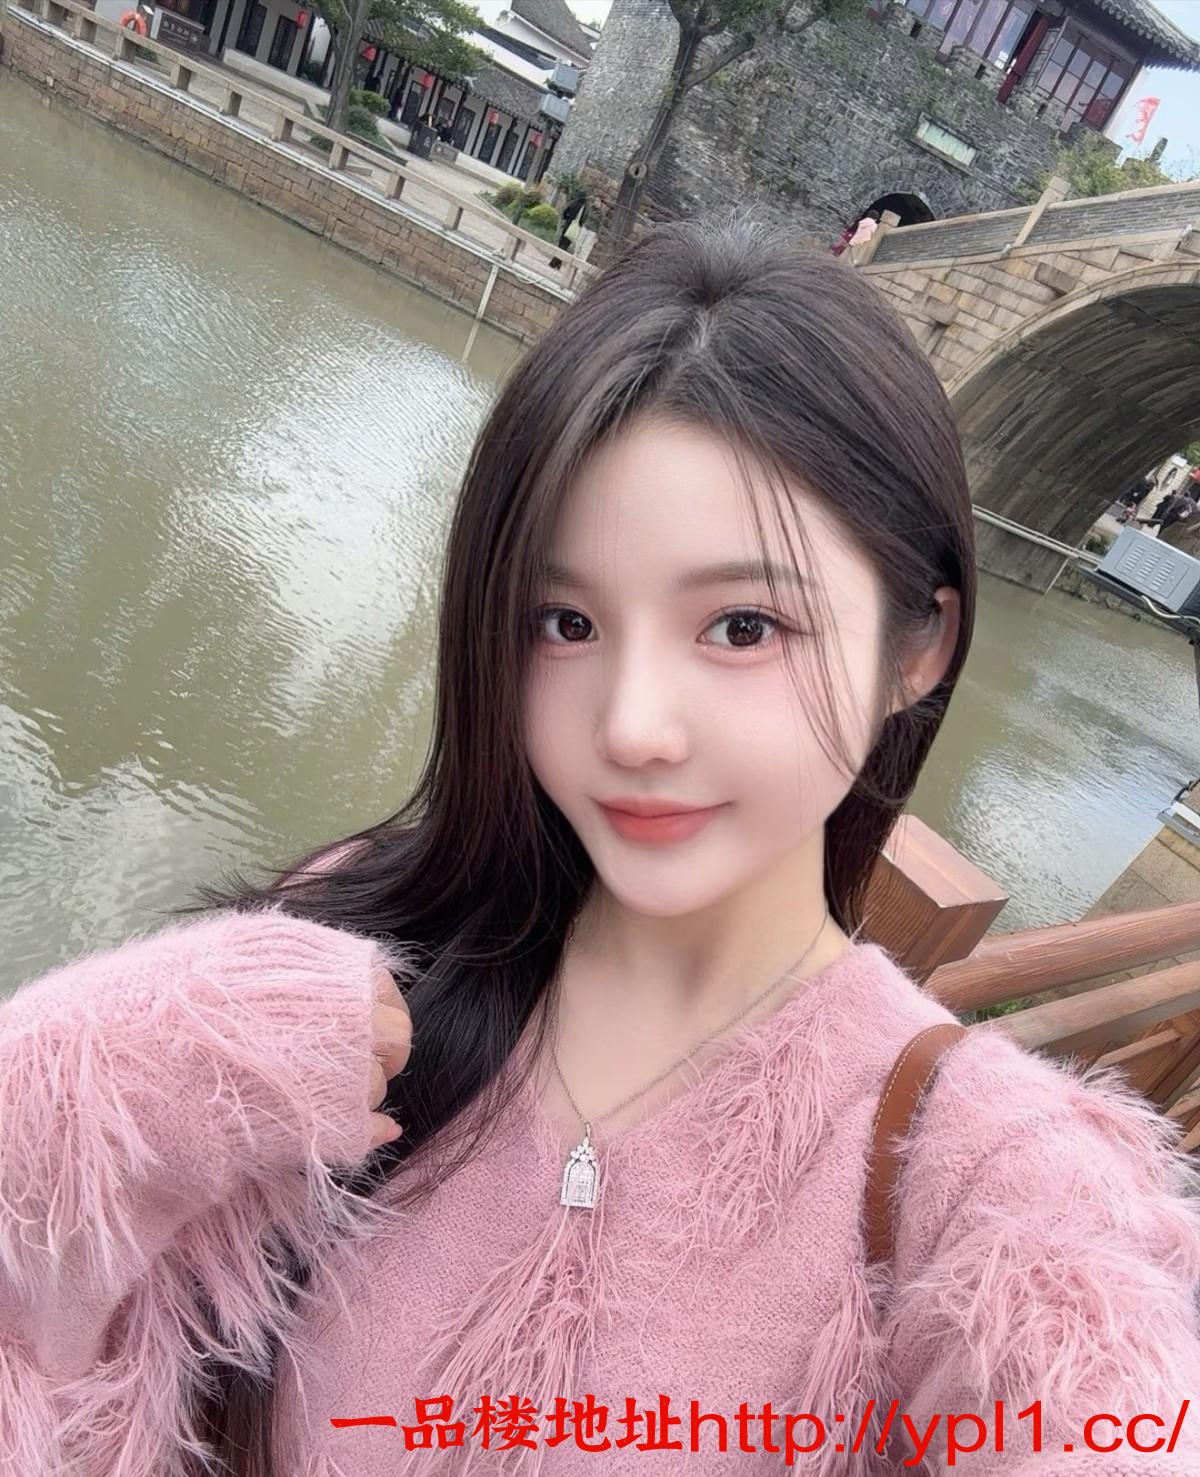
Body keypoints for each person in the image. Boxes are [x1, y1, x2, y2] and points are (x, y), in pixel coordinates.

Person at [4, 218, 1200, 1477]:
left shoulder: (968, 1176)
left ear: (919, 648)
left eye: (743, 626)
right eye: (565, 621)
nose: (630, 726)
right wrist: (81, 1083)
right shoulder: (341, 963)